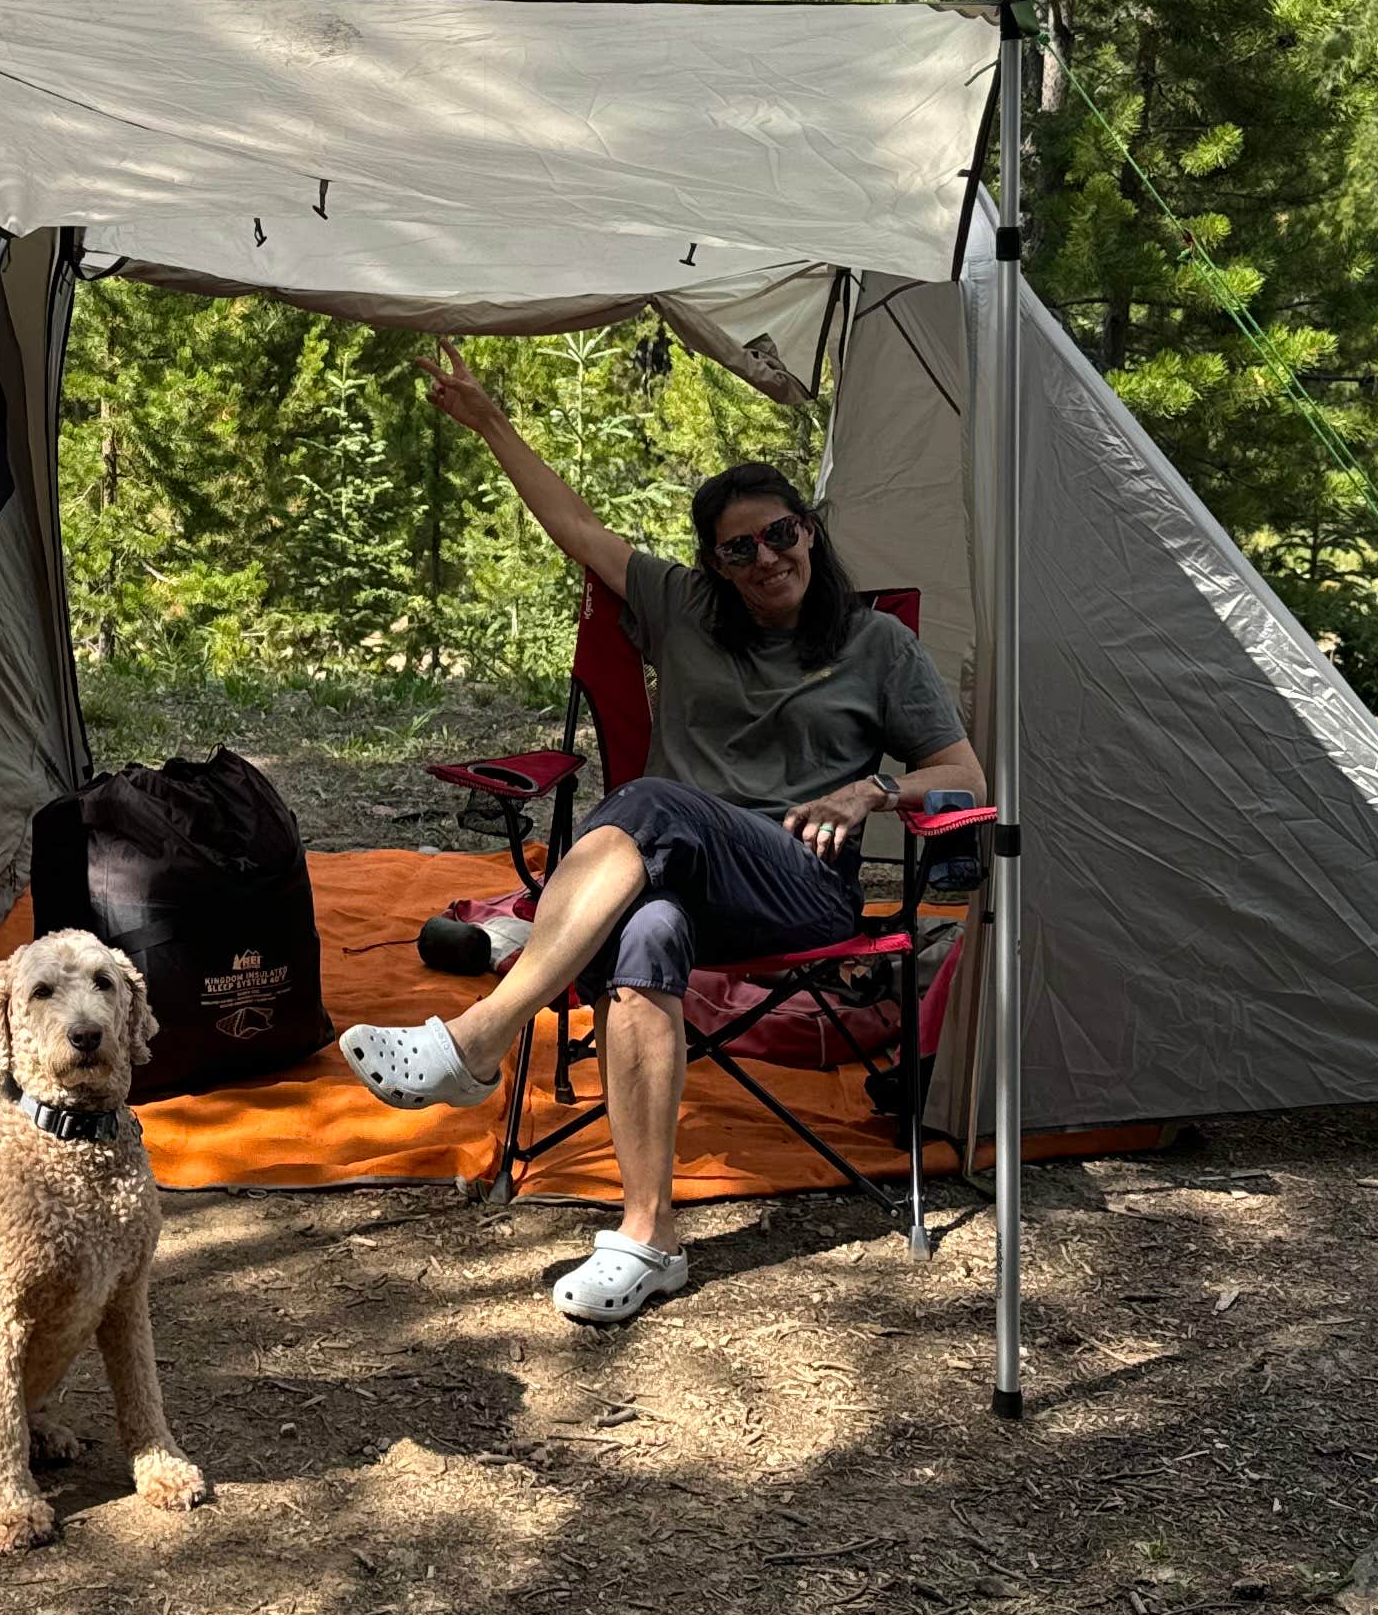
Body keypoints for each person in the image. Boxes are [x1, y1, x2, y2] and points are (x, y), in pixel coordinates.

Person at [338, 341, 982, 1324]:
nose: (766, 559)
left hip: (802, 887)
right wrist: (489, 419)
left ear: (810, 531)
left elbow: (963, 777)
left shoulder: (875, 643)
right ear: (714, 565)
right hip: (683, 875)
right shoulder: (680, 609)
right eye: (739, 549)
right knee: (643, 936)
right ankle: (649, 1239)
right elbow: (576, 526)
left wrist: (876, 793)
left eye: (780, 536)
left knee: (654, 803)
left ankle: (477, 1041)